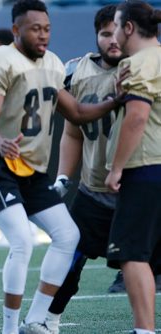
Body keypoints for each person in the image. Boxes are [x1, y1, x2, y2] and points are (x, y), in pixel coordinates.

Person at [0, 0, 124, 333]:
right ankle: (9, 328)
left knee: (68, 236)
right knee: (22, 240)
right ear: (17, 30)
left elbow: (77, 113)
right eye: (35, 28)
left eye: (47, 28)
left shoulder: (52, 64)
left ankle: (37, 319)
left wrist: (117, 100)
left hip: (31, 168)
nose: (43, 35)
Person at [41, 5, 125, 333]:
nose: (112, 40)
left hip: (139, 188)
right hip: (94, 189)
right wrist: (64, 175)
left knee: (142, 265)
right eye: (105, 33)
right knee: (69, 258)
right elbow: (73, 131)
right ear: (96, 35)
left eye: (118, 32)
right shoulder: (75, 71)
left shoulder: (147, 71)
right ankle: (49, 319)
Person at [104, 2, 161, 333]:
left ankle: (144, 330)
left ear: (128, 28)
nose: (112, 34)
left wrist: (116, 168)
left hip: (147, 167)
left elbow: (138, 117)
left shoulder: (140, 63)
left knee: (132, 254)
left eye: (115, 26)